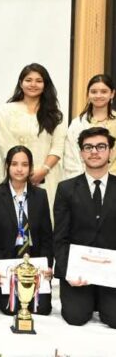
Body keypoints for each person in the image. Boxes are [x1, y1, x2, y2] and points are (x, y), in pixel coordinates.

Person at [54, 127, 116, 328]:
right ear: (81, 153)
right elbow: (60, 237)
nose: (94, 151)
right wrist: (67, 272)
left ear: (111, 151)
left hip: (112, 273)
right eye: (88, 147)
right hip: (78, 272)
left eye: (101, 146)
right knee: (76, 317)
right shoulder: (66, 189)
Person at [0, 145, 53, 315]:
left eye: (24, 164)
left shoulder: (40, 195)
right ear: (7, 166)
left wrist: (47, 266)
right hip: (7, 263)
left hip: (33, 264)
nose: (19, 169)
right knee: (12, 309)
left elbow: (47, 237)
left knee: (42, 309)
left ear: (30, 167)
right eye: (14, 164)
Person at [0, 63, 65, 203]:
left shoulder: (55, 115)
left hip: (44, 177)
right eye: (28, 80)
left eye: (39, 81)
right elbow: (3, 143)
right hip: (12, 173)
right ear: (21, 83)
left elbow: (58, 147)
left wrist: (43, 170)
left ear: (45, 85)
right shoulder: (5, 111)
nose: (33, 84)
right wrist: (21, 170)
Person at [63, 74, 116, 179]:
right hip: (83, 182)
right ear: (88, 94)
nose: (98, 95)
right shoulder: (78, 124)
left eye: (104, 92)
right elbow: (71, 159)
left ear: (112, 94)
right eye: (94, 92)